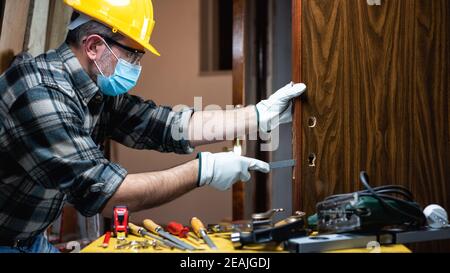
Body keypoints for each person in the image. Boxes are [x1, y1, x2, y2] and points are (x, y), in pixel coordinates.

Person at [0, 0, 306, 253]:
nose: (137, 65)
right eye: (132, 54)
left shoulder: (91, 86)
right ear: (94, 46)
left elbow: (162, 125)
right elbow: (109, 195)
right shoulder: (38, 92)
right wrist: (202, 171)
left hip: (31, 239)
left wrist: (258, 115)